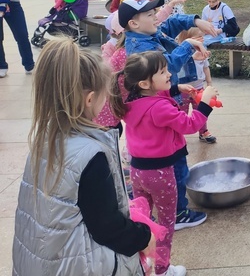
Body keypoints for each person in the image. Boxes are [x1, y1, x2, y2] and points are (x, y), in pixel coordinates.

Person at [12, 39, 153, 275]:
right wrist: (143, 237)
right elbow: (107, 228)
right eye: (105, 95)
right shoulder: (91, 156)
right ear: (90, 100)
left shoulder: (45, 139)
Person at [118, 0, 220, 231]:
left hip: (145, 155)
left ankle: (144, 215)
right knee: (176, 169)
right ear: (134, 23)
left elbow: (170, 24)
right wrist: (205, 101)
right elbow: (171, 65)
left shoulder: (147, 33)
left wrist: (196, 21)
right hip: (164, 149)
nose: (157, 18)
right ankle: (178, 214)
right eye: (151, 15)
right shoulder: (141, 48)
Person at [111, 51, 217, 276]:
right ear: (144, 82)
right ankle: (162, 269)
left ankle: (142, 262)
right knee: (166, 223)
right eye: (163, 72)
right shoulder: (160, 108)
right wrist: (205, 105)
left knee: (142, 216)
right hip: (160, 174)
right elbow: (188, 124)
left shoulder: (131, 102)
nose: (169, 74)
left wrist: (177, 89)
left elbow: (154, 99)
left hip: (138, 171)